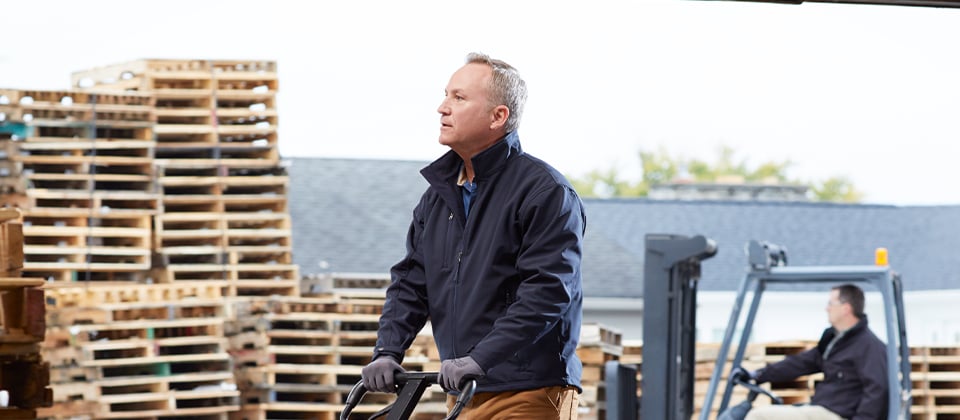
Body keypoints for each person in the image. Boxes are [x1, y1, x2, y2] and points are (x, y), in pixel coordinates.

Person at [360, 52, 586, 419]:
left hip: (528, 391)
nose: (442, 108)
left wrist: (480, 359)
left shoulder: (544, 193)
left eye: (459, 98)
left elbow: (547, 293)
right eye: (446, 95)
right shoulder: (437, 197)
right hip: (464, 390)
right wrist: (387, 351)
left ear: (498, 117)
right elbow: (411, 284)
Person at [732, 284, 888, 420]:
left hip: (836, 414)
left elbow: (876, 391)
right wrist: (757, 375)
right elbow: (800, 363)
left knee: (759, 417)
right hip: (822, 409)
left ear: (846, 308)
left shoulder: (869, 347)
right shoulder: (835, 342)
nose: (827, 308)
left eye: (830, 303)